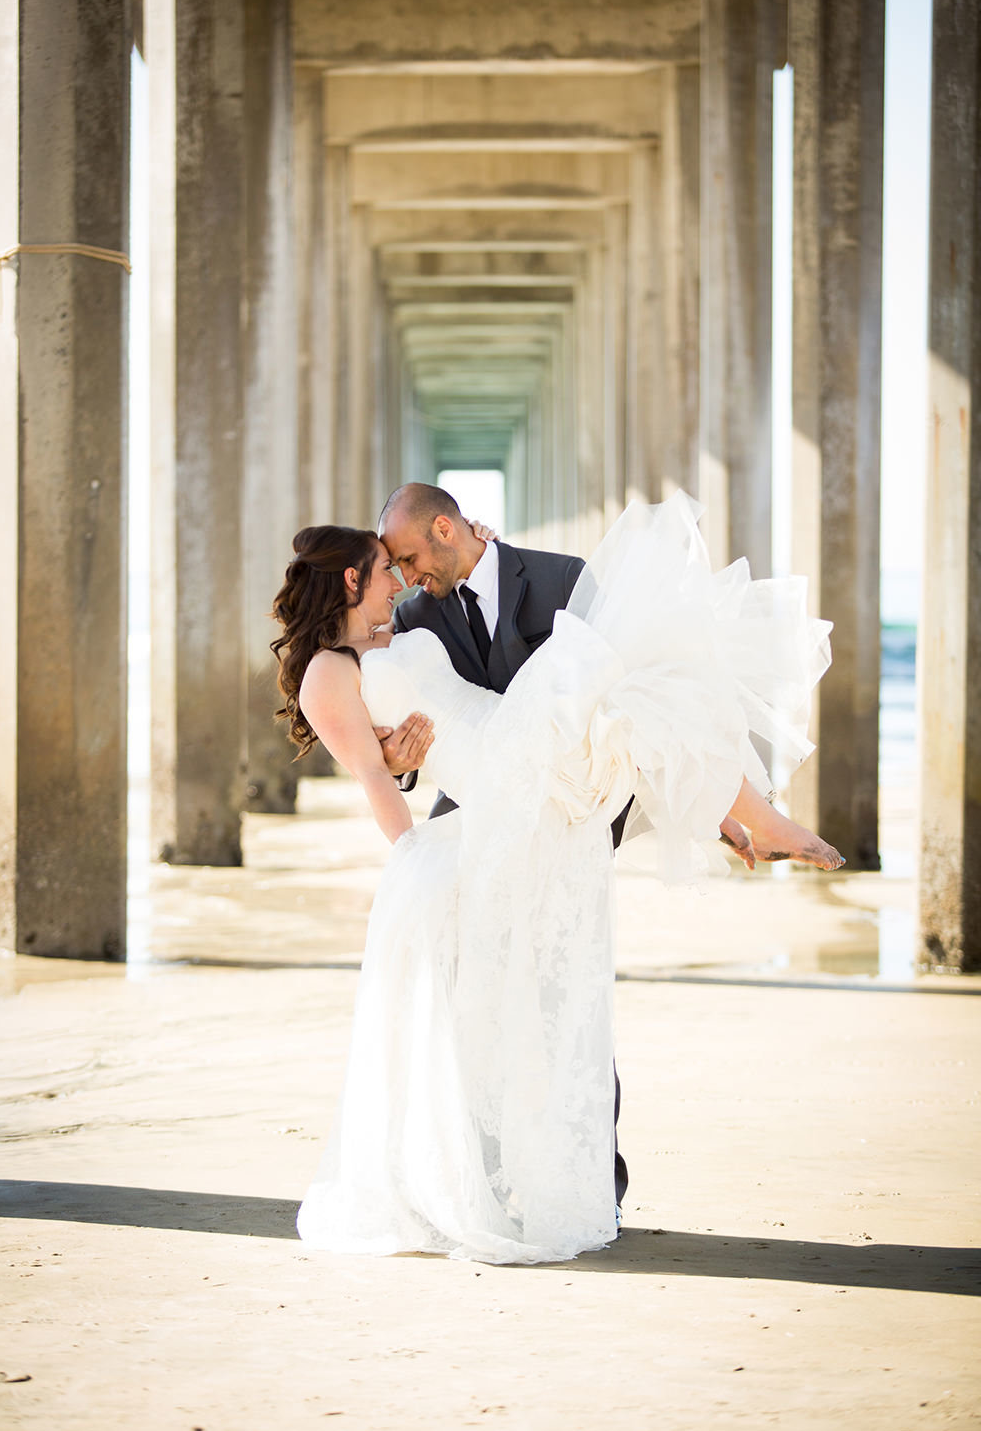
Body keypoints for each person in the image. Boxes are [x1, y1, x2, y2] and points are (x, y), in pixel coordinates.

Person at [272, 492, 843, 1265]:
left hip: (533, 784)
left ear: (448, 530)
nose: (401, 579)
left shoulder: (556, 581)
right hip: (489, 807)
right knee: (492, 1014)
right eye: (386, 569)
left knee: (633, 707)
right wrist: (410, 824)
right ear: (351, 581)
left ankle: (583, 1187)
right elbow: (380, 772)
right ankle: (752, 818)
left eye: (404, 559)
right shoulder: (383, 640)